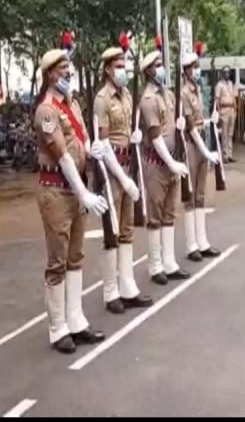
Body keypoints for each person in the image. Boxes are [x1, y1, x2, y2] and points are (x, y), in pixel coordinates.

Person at [34, 48, 107, 355]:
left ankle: (75, 319)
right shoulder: (46, 111)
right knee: (58, 260)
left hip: (76, 187)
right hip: (57, 190)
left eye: (68, 67)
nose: (67, 72)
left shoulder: (72, 103)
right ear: (50, 73)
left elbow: (81, 141)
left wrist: (94, 150)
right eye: (62, 68)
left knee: (75, 256)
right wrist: (84, 194)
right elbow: (62, 156)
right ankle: (57, 327)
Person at [91, 45, 153, 314]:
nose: (123, 69)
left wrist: (136, 139)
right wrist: (122, 178)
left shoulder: (127, 95)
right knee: (112, 230)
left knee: (127, 229)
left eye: (124, 64)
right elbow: (103, 144)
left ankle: (127, 286)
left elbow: (129, 130)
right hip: (112, 170)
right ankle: (110, 291)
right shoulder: (102, 99)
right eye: (118, 65)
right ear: (107, 69)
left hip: (129, 164)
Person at [138, 49, 191, 284]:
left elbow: (173, 128)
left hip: (172, 161)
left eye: (162, 63)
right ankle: (155, 264)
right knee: (155, 214)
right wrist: (171, 163)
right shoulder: (148, 99)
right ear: (148, 71)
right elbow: (156, 136)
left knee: (170, 213)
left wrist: (180, 127)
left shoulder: (169, 95)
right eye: (157, 65)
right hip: (157, 163)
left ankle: (169, 261)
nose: (161, 68)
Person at [179, 52, 222, 261]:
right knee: (190, 194)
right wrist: (205, 150)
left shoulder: (197, 90)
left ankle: (202, 240)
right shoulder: (184, 93)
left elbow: (198, 122)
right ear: (186, 70)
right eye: (193, 67)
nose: (197, 70)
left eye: (197, 66)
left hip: (201, 140)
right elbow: (189, 127)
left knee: (200, 195)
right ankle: (191, 244)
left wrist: (209, 122)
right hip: (191, 145)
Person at [214, 66, 237, 162]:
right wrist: (218, 113)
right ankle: (225, 155)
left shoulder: (231, 84)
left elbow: (234, 97)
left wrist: (235, 109)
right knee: (224, 133)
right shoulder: (219, 85)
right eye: (225, 72)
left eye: (228, 72)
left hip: (231, 109)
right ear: (223, 74)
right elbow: (217, 99)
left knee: (230, 134)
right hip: (224, 110)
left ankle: (230, 154)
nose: (227, 74)